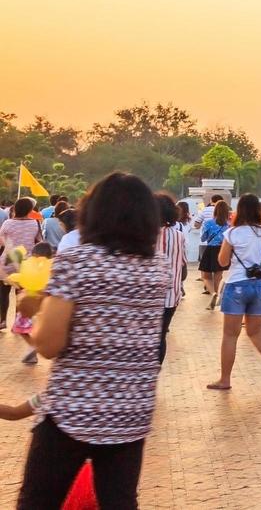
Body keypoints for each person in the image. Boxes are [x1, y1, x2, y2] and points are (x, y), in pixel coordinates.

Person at [13, 172, 166, 508]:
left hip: (72, 412)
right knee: (120, 502)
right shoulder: (158, 268)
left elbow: (49, 345)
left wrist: (31, 312)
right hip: (131, 413)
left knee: (37, 502)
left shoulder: (77, 262)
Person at [207, 193, 261, 390]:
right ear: (258, 210)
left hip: (237, 284)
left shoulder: (232, 233)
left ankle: (225, 379)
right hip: (260, 285)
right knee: (255, 331)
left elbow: (222, 262)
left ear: (239, 210)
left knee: (230, 335)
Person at [0, 196, 44, 329]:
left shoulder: (8, 223)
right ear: (30, 210)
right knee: (21, 294)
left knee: (3, 293)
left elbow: (1, 241)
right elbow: (40, 242)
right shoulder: (35, 223)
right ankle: (18, 323)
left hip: (7, 263)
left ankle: (2, 321)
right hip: (26, 264)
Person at [155, 192, 186, 363]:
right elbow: (183, 262)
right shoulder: (179, 236)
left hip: (152, 295)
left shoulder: (149, 235)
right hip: (172, 296)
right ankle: (156, 371)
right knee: (161, 336)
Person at [12, 241, 52, 365]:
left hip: (29, 305)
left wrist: (11, 278)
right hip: (44, 305)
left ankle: (33, 346)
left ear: (34, 254)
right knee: (35, 329)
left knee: (20, 328)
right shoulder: (51, 266)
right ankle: (33, 348)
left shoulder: (31, 266)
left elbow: (21, 278)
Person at [198, 199, 229, 309]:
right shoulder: (228, 225)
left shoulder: (209, 223)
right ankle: (216, 292)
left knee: (206, 275)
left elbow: (204, 237)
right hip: (222, 249)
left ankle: (213, 293)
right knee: (218, 275)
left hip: (210, 249)